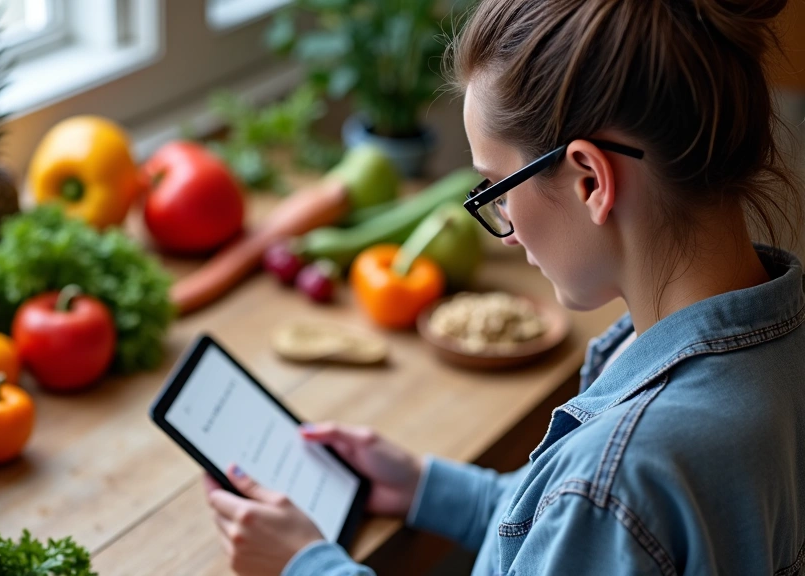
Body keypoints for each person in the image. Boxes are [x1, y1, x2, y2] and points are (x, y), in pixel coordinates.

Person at [204, 0, 805, 573]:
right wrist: (424, 486)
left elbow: (591, 517)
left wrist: (305, 565)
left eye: (496, 189)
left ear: (590, 180)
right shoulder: (768, 352)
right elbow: (568, 538)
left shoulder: (616, 478)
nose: (505, 236)